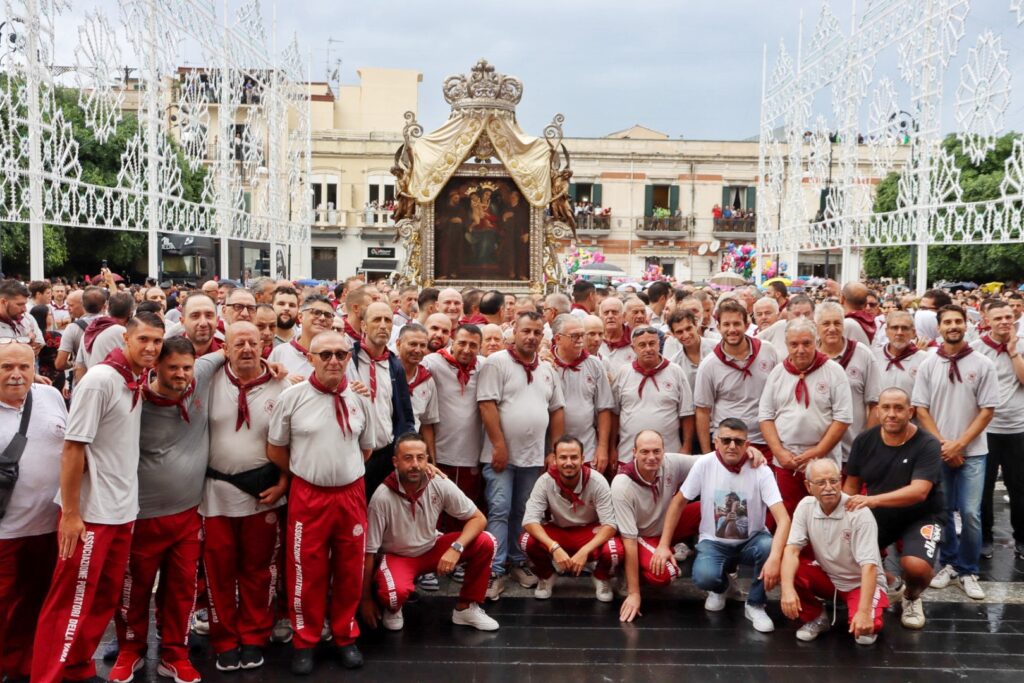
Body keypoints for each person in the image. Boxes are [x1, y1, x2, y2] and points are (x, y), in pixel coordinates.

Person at [32, 312, 165, 683]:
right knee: (70, 604)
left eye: (157, 341)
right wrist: (72, 515)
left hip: (121, 510)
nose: (151, 347)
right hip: (91, 515)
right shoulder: (101, 380)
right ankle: (47, 676)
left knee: (102, 598)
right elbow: (73, 448)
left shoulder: (136, 378)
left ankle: (77, 668)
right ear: (126, 340)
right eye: (144, 340)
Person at [110, 336, 223, 683]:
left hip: (188, 514)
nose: (181, 374)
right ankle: (131, 648)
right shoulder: (133, 399)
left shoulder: (200, 374)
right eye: (172, 367)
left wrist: (268, 365)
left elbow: (227, 349)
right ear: (155, 367)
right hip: (142, 515)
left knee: (181, 588)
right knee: (135, 588)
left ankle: (174, 653)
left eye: (186, 367)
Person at [267, 331, 378, 674]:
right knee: (305, 571)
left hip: (350, 493)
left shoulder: (361, 398)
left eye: (341, 355)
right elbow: (275, 448)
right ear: (311, 357)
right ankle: (305, 640)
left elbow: (367, 447)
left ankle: (345, 635)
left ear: (348, 358)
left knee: (349, 568)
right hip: (308, 495)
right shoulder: (292, 397)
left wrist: (340, 469)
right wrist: (305, 472)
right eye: (325, 354)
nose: (333, 360)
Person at [202, 322, 290, 671]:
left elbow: (292, 440)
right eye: (239, 343)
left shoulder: (283, 384)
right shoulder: (207, 380)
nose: (247, 349)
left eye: (253, 343)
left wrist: (284, 482)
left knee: (259, 571)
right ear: (225, 348)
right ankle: (224, 639)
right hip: (215, 492)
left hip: (263, 493)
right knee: (219, 572)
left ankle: (255, 636)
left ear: (263, 346)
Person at [654, 419, 790, 633]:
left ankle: (755, 604)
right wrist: (664, 544)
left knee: (768, 547)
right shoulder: (704, 464)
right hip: (714, 542)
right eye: (726, 440)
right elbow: (679, 501)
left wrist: (775, 557)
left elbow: (783, 518)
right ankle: (721, 588)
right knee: (704, 576)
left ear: (747, 445)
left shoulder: (761, 470)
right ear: (716, 442)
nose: (732, 446)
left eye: (738, 441)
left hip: (751, 541)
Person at [362, 433, 499, 638]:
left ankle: (465, 608)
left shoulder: (438, 482)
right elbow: (369, 552)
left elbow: (478, 519)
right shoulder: (382, 497)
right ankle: (394, 607)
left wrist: (456, 548)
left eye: (420, 457)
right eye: (408, 458)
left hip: (431, 548)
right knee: (392, 596)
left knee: (486, 542)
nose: (415, 464)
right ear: (395, 462)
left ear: (428, 460)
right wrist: (365, 600)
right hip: (398, 557)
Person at [478, 311, 565, 599]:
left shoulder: (547, 369)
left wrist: (555, 450)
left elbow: (557, 409)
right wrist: (499, 445)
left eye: (537, 332)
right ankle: (494, 568)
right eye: (526, 331)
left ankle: (516, 561)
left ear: (543, 336)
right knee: (500, 509)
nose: (531, 337)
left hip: (533, 457)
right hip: (501, 455)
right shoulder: (496, 363)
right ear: (514, 331)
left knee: (524, 512)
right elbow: (487, 405)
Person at [914, 305, 998, 599]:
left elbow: (987, 410)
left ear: (967, 325)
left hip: (973, 451)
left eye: (958, 321)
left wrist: (960, 444)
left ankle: (968, 569)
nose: (953, 326)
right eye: (947, 322)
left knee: (971, 513)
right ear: (939, 327)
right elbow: (921, 409)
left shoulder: (982, 364)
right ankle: (948, 563)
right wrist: (943, 445)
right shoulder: (928, 364)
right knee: (944, 511)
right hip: (939, 451)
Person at [843, 387, 944, 630]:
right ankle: (891, 582)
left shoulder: (927, 443)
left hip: (921, 515)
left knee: (917, 567)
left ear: (910, 412)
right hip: (879, 514)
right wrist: (839, 519)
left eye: (899, 408)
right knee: (840, 544)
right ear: (877, 411)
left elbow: (919, 491)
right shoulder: (865, 440)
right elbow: (851, 485)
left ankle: (911, 597)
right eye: (886, 407)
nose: (891, 414)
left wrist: (872, 500)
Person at [0, 342, 67, 682]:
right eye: (6, 367)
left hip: (49, 527)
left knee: (38, 604)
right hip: (5, 533)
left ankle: (25, 667)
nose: (16, 375)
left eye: (24, 367)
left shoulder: (50, 396)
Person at [780, 458, 888, 646]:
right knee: (791, 568)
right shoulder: (805, 505)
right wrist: (786, 589)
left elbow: (869, 566)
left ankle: (870, 605)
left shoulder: (859, 513)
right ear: (808, 486)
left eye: (834, 481)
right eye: (821, 482)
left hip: (859, 583)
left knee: (864, 634)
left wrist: (863, 613)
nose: (828, 487)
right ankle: (817, 617)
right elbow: (791, 550)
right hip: (830, 578)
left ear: (841, 481)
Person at [759, 318, 853, 516]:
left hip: (824, 463)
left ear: (816, 342)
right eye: (794, 344)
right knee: (789, 515)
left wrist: (818, 451)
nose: (800, 349)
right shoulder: (777, 373)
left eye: (806, 343)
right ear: (786, 345)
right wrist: (779, 452)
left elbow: (843, 418)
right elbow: (766, 417)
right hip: (786, 462)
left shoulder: (834, 371)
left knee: (826, 513)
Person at [612, 430, 700, 622]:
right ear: (634, 452)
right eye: (644, 452)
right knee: (666, 573)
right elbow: (629, 540)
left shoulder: (670, 462)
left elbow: (709, 461)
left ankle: (713, 558)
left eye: (656, 451)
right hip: (641, 535)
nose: (651, 457)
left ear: (663, 451)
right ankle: (630, 576)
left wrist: (749, 452)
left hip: (666, 525)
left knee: (708, 507)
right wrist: (634, 593)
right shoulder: (622, 485)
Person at [520, 436, 619, 602]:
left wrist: (584, 552)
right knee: (525, 540)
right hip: (559, 532)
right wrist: (554, 547)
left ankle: (601, 577)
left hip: (589, 532)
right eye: (563, 457)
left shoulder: (597, 481)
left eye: (574, 457)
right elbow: (529, 520)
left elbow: (610, 525)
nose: (568, 462)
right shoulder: (545, 481)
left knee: (615, 549)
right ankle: (547, 576)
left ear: (582, 459)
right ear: (555, 459)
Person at [970, 300, 1024, 560]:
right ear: (986, 319)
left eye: (1008, 317)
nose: (1004, 321)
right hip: (986, 429)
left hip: (1018, 427)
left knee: (1019, 486)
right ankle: (985, 537)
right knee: (983, 487)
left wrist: (1014, 352)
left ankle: (1021, 537)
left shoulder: (1021, 344)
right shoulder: (977, 348)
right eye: (998, 317)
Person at [421, 324, 484, 536]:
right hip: (441, 452)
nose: (467, 349)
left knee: (464, 510)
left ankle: (457, 557)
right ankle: (433, 556)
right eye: (462, 343)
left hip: (470, 454)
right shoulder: (432, 362)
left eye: (473, 345)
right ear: (453, 341)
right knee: (434, 510)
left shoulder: (485, 366)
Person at [694, 300, 778, 457]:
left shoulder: (767, 350)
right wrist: (707, 454)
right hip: (728, 442)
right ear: (718, 327)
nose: (732, 329)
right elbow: (702, 411)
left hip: (765, 439)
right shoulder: (709, 365)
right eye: (726, 324)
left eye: (737, 324)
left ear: (747, 325)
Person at [349, 301, 415, 497]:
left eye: (388, 320)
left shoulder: (395, 365)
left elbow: (405, 413)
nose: (383, 325)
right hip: (354, 453)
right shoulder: (347, 360)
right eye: (377, 319)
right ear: (363, 325)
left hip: (385, 453)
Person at [611, 325, 694, 469]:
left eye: (652, 343)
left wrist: (686, 447)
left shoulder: (676, 372)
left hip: (669, 455)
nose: (648, 349)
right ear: (633, 348)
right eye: (642, 345)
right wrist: (611, 447)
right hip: (627, 455)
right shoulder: (623, 373)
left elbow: (687, 414)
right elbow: (614, 415)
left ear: (659, 344)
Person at [815, 302, 881, 464]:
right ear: (816, 327)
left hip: (853, 451)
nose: (832, 328)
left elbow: (875, 404)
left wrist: (867, 444)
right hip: (816, 452)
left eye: (837, 323)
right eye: (826, 323)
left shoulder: (862, 354)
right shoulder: (808, 355)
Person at [549, 314, 614, 472]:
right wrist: (551, 452)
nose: (580, 340)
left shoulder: (595, 364)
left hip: (587, 448)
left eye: (582, 335)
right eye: (574, 336)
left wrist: (603, 448)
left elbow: (604, 408)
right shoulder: (546, 364)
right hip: (552, 450)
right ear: (557, 339)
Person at [269, 294, 335, 377]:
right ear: (300, 317)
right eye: (316, 312)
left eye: (328, 315)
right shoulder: (280, 352)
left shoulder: (340, 355)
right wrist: (285, 383)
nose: (322, 318)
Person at [874, 310, 926, 397]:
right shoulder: (874, 357)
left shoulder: (924, 360)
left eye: (905, 328)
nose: (899, 333)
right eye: (894, 328)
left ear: (913, 333)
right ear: (886, 331)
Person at [81, 291, 135, 370]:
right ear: (131, 312)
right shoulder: (123, 332)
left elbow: (79, 366)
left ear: (108, 308)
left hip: (90, 379)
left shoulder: (90, 329)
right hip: (112, 380)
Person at [666, 309, 715, 392]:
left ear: (696, 325)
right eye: (679, 332)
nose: (686, 335)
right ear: (673, 334)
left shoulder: (717, 348)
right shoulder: (675, 363)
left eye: (688, 328)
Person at [598, 297, 635, 377]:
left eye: (614, 312)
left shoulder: (635, 339)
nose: (610, 316)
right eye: (606, 313)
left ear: (624, 316)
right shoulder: (594, 340)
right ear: (600, 317)